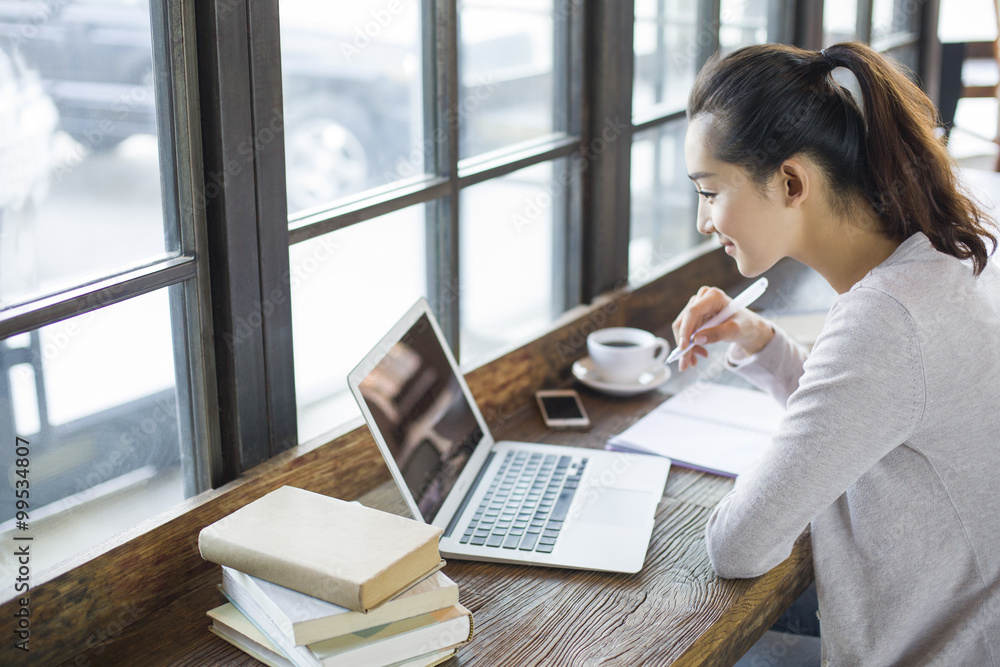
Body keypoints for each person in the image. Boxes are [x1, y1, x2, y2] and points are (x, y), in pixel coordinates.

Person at [672, 41, 1000, 665]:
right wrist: (760, 342)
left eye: (711, 193)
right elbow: (876, 409)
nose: (703, 222)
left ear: (791, 181)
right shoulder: (942, 251)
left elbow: (739, 545)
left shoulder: (886, 318)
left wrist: (776, 473)